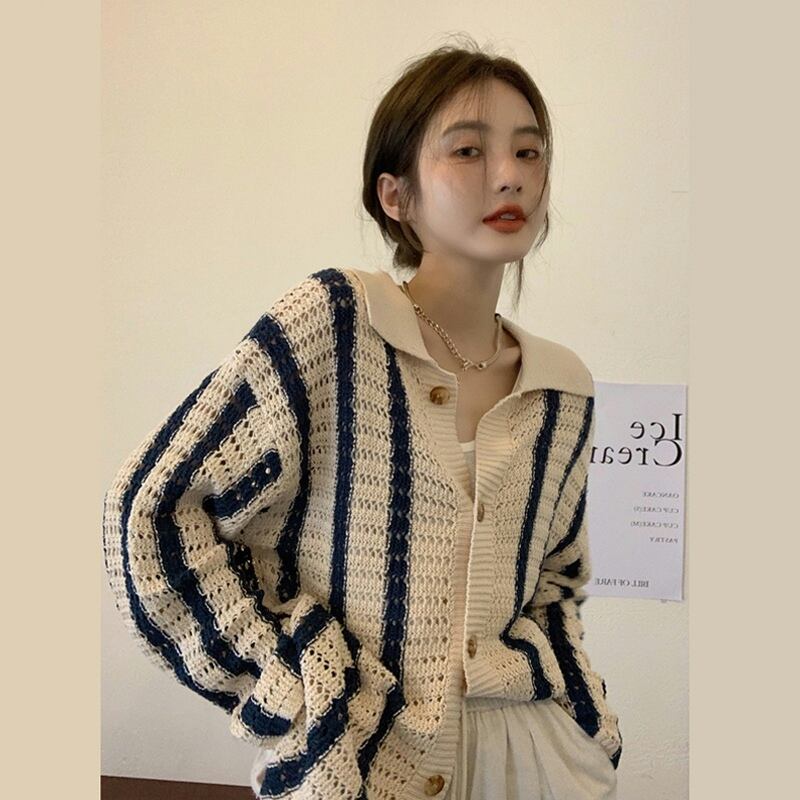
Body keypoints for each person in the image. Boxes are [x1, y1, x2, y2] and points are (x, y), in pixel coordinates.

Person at [103, 38, 622, 800]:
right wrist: (287, 691)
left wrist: (589, 722)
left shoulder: (563, 388)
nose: (510, 174)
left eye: (529, 151)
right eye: (468, 151)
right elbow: (150, 510)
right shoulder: (335, 326)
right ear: (396, 196)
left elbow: (556, 584)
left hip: (529, 765)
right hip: (360, 770)